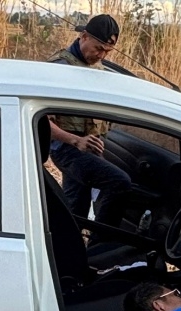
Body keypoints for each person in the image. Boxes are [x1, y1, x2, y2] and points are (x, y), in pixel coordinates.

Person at [45, 13, 132, 227]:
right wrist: (76, 140)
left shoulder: (98, 68)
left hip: (89, 146)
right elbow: (41, 122)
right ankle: (101, 241)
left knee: (76, 210)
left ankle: (70, 243)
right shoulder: (58, 69)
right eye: (98, 48)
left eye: (107, 51)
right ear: (83, 36)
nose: (101, 55)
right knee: (119, 182)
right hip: (66, 148)